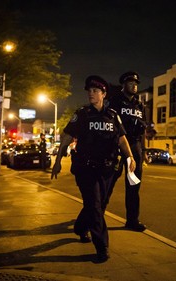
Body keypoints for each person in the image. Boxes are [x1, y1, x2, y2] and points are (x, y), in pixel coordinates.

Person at [51, 75, 136, 263]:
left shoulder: (113, 115)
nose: (91, 93)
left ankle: (81, 227)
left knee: (99, 204)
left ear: (103, 94)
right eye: (89, 90)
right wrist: (57, 161)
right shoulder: (82, 114)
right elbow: (66, 137)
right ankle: (102, 247)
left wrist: (130, 157)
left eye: (95, 91)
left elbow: (122, 139)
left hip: (107, 169)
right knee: (95, 206)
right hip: (86, 168)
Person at [107, 71, 147, 232]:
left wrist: (142, 152)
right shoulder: (115, 101)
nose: (134, 85)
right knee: (108, 182)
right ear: (123, 84)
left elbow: (143, 130)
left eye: (136, 83)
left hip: (135, 145)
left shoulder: (139, 105)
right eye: (131, 83)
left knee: (133, 184)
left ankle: (132, 220)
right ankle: (96, 216)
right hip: (118, 145)